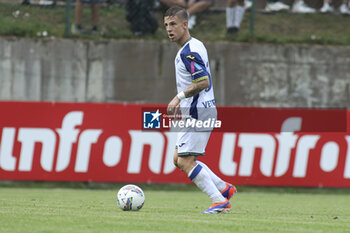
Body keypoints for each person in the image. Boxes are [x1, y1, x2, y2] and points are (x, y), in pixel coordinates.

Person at [164, 6, 237, 214]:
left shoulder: (189, 52)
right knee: (178, 159)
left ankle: (219, 201)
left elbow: (203, 81)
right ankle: (224, 188)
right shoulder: (194, 45)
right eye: (166, 25)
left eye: (173, 24)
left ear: (185, 25)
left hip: (198, 113)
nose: (169, 29)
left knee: (186, 161)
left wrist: (178, 98)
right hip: (196, 111)